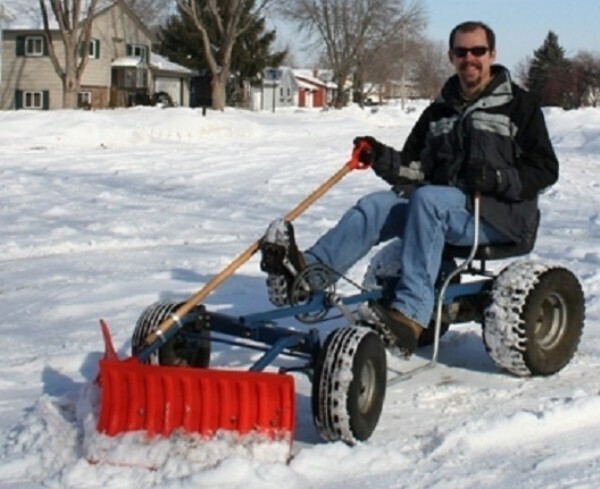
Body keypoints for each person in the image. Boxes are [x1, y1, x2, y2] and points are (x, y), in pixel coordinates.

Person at [259, 20, 559, 356]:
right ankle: (305, 277)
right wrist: (380, 156)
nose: (469, 58)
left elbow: (546, 169)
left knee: (428, 200)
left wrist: (498, 179)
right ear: (451, 56)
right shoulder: (438, 111)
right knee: (376, 206)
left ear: (492, 54)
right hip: (443, 210)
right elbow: (414, 169)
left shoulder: (520, 106)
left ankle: (411, 314)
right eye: (462, 52)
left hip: (498, 216)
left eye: (477, 51)